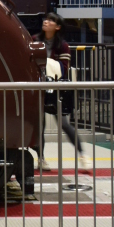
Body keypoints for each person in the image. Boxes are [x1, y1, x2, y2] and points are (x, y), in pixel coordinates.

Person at [32, 12, 90, 172]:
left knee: (64, 123)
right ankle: (41, 159)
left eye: (51, 20)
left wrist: (45, 64)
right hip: (39, 88)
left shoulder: (62, 45)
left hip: (56, 90)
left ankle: (82, 154)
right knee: (40, 124)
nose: (46, 21)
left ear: (57, 27)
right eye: (46, 19)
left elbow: (64, 69)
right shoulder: (35, 40)